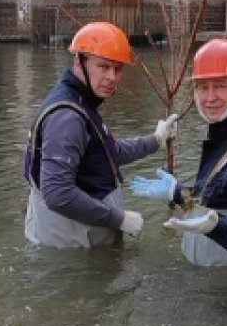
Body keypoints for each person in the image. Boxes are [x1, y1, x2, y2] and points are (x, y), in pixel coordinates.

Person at [129, 38, 227, 268]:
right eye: (203, 87)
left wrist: (217, 227)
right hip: (211, 273)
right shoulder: (223, 134)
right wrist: (178, 193)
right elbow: (221, 195)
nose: (210, 98)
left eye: (220, 85)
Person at [23, 21, 178, 249]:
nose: (112, 77)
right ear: (79, 62)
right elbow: (57, 193)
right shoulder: (67, 117)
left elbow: (105, 153)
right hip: (72, 248)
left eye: (117, 69)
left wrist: (155, 140)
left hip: (80, 241)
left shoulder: (81, 101)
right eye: (103, 67)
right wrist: (119, 219)